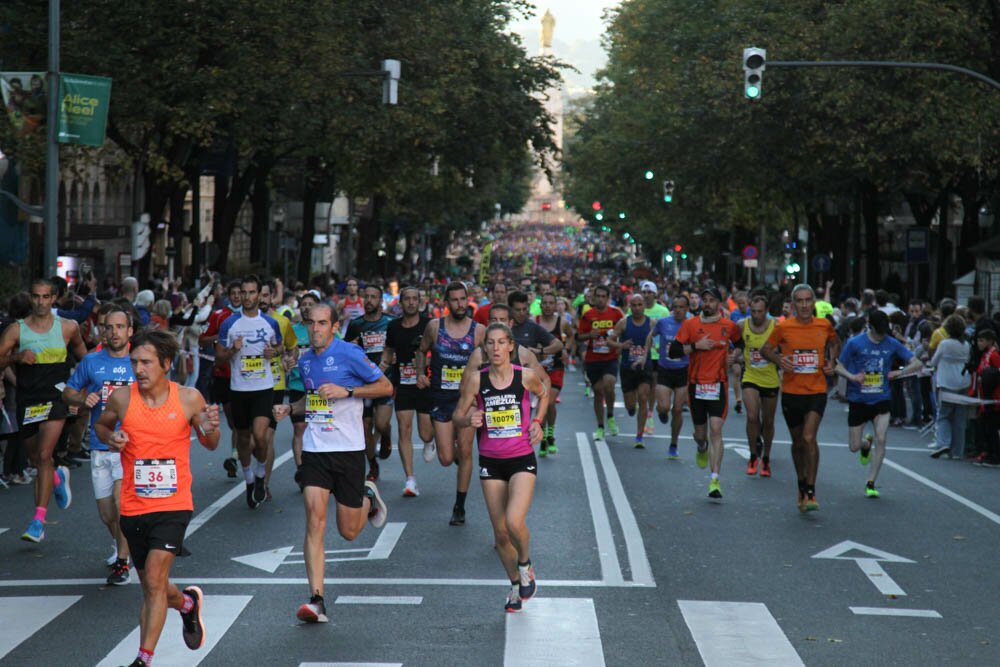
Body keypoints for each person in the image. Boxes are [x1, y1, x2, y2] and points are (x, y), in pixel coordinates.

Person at [95, 330, 221, 667]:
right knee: (155, 585)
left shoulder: (189, 398)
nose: (139, 368)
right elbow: (102, 427)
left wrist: (213, 426)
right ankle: (187, 604)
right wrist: (113, 436)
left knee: (152, 580)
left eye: (147, 362)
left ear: (166, 363)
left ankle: (143, 659)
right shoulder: (122, 398)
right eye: (135, 362)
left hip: (173, 504)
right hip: (134, 506)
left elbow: (210, 442)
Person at [272, 303, 391, 623]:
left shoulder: (350, 353)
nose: (315, 329)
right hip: (315, 450)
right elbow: (310, 399)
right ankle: (316, 599)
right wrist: (290, 409)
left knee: (350, 531)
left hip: (350, 450)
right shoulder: (306, 360)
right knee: (314, 518)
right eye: (311, 323)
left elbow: (385, 386)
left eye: (322, 324)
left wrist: (348, 390)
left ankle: (367, 496)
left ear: (334, 326)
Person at [453, 323, 549, 612]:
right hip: (491, 461)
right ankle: (515, 585)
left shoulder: (526, 376)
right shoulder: (475, 380)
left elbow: (544, 394)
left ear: (511, 347)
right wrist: (468, 420)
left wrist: (537, 423)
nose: (495, 348)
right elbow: (457, 415)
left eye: (500, 343)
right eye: (490, 344)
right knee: (500, 534)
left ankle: (525, 564)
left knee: (513, 521)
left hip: (521, 458)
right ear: (485, 349)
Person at [0, 278, 87, 543]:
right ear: (30, 298)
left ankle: (38, 520)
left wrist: (81, 391)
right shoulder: (17, 330)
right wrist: (16, 357)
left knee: (44, 453)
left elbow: (86, 358)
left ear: (54, 298)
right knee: (37, 458)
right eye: (36, 297)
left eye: (46, 297)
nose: (40, 302)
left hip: (56, 398)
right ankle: (58, 478)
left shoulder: (68, 328)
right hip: (29, 400)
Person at [62, 305, 135, 584]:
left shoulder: (140, 361)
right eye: (109, 327)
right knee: (107, 514)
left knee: (120, 503)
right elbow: (68, 392)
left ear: (130, 331)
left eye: (119, 327)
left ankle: (122, 563)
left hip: (128, 448)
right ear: (102, 330)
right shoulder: (91, 362)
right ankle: (121, 546)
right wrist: (82, 400)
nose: (113, 332)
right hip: (100, 447)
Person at [762, 284, 840, 512]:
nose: (805, 305)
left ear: (814, 302)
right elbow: (766, 349)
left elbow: (835, 343)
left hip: (816, 391)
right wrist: (779, 360)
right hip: (791, 393)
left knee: (808, 438)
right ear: (793, 304)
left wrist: (831, 361)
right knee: (797, 443)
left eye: (808, 300)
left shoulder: (824, 325)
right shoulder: (784, 328)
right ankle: (800, 482)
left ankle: (811, 490)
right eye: (800, 301)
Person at [415, 281, 484, 526]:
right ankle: (452, 453)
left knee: (465, 451)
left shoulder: (478, 331)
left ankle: (459, 506)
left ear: (468, 300)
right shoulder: (435, 327)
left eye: (462, 299)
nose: (459, 304)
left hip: (467, 401)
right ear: (447, 304)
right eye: (454, 300)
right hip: (441, 398)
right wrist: (421, 373)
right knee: (446, 458)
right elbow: (421, 351)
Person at [836, 310, 923, 497]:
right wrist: (852, 376)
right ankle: (865, 445)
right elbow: (838, 365)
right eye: (879, 332)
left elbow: (917, 363)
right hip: (858, 399)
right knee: (853, 447)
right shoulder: (855, 343)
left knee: (882, 439)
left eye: (885, 332)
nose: (882, 336)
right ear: (870, 326)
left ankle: (871, 482)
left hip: (881, 398)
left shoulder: (891, 343)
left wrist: (899, 372)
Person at [215, 276, 282, 510]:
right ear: (240, 295)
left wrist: (273, 352)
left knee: (260, 435)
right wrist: (232, 350)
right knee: (243, 438)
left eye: (252, 292)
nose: (248, 297)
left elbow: (280, 347)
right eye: (244, 292)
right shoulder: (229, 324)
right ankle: (250, 480)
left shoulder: (270, 323)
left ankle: (262, 472)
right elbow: (218, 357)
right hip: (239, 389)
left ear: (259, 294)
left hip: (263, 388)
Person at [670, 287, 741, 498]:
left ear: (719, 303)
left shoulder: (729, 326)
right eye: (705, 300)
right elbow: (673, 351)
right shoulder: (690, 324)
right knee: (701, 435)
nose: (708, 304)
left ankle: (715, 480)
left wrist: (734, 356)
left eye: (712, 300)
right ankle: (701, 446)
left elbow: (740, 345)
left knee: (716, 429)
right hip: (696, 384)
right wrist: (695, 346)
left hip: (718, 384)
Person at [382, 286, 434, 496]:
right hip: (403, 383)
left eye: (415, 299)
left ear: (419, 302)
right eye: (407, 299)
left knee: (425, 432)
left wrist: (427, 361)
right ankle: (410, 480)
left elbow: (438, 350)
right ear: (401, 303)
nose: (411, 302)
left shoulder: (429, 324)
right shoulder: (393, 326)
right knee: (404, 428)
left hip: (424, 383)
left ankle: (430, 442)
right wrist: (378, 371)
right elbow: (388, 351)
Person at [344, 284, 395, 481]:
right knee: (365, 426)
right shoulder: (356, 324)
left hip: (385, 380)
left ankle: (387, 435)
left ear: (380, 301)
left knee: (381, 424)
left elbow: (397, 345)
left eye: (374, 297)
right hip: (363, 384)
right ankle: (372, 465)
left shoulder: (389, 322)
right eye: (367, 297)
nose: (369, 300)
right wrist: (352, 346)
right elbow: (346, 350)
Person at [199, 280, 242, 477]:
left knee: (243, 422)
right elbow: (203, 339)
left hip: (246, 377)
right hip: (224, 375)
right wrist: (221, 336)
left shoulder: (251, 317)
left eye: (239, 293)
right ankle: (236, 455)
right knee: (234, 421)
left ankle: (235, 456)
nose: (236, 296)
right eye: (233, 293)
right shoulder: (218, 316)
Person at [738, 295, 780, 477]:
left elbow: (786, 347)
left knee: (768, 422)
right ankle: (753, 455)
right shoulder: (742, 325)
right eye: (753, 311)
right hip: (750, 376)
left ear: (766, 310)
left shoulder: (776, 326)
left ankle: (767, 459)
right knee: (752, 416)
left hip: (770, 379)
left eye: (760, 312)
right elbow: (736, 345)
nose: (756, 315)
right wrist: (735, 356)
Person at [577, 285, 624, 441]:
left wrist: (620, 346)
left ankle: (610, 415)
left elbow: (624, 329)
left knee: (609, 384)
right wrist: (590, 334)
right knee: (598, 392)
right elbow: (579, 336)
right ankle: (600, 426)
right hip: (593, 359)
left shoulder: (616, 313)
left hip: (610, 358)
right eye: (598, 296)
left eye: (604, 296)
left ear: (608, 298)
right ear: (593, 298)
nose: (601, 299)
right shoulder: (588, 315)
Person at [609, 293, 654, 448]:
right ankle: (630, 407)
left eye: (639, 305)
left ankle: (639, 435)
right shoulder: (624, 323)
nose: (637, 308)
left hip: (644, 367)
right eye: (633, 305)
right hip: (627, 368)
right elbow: (610, 340)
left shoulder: (651, 323)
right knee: (630, 406)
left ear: (644, 306)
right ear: (630, 307)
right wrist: (621, 346)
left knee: (643, 397)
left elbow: (666, 338)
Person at [650, 294, 691, 459]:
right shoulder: (664, 323)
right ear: (672, 308)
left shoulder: (691, 324)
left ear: (687, 309)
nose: (679, 310)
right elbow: (650, 336)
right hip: (665, 369)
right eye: (676, 307)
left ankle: (674, 443)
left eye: (682, 307)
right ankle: (661, 411)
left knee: (678, 409)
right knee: (665, 407)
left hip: (683, 370)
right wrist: (646, 351)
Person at [928, 315, 971, 460]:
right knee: (960, 418)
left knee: (944, 414)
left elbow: (934, 361)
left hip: (946, 381)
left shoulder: (945, 344)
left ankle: (943, 442)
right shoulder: (966, 344)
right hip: (963, 381)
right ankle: (958, 450)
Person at [536, 292, 573, 455]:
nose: (548, 306)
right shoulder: (534, 322)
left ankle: (549, 434)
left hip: (556, 368)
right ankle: (544, 437)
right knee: (541, 403)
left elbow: (572, 336)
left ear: (555, 305)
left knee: (549, 402)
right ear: (540, 305)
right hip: (538, 369)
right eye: (545, 303)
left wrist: (566, 350)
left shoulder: (562, 322)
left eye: (551, 303)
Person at [636, 281, 669, 434]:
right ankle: (643, 408)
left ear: (655, 294)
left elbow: (669, 331)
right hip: (640, 353)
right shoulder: (636, 309)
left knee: (653, 384)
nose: (647, 295)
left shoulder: (663, 311)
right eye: (644, 292)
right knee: (641, 387)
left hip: (657, 354)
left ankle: (649, 413)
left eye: (650, 292)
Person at [970, 329, 1000, 467]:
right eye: (978, 340)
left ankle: (994, 456)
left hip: (993, 398)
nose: (978, 343)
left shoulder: (994, 355)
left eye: (982, 341)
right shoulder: (984, 355)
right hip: (984, 396)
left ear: (989, 341)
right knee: (984, 426)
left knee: (991, 427)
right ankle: (986, 452)